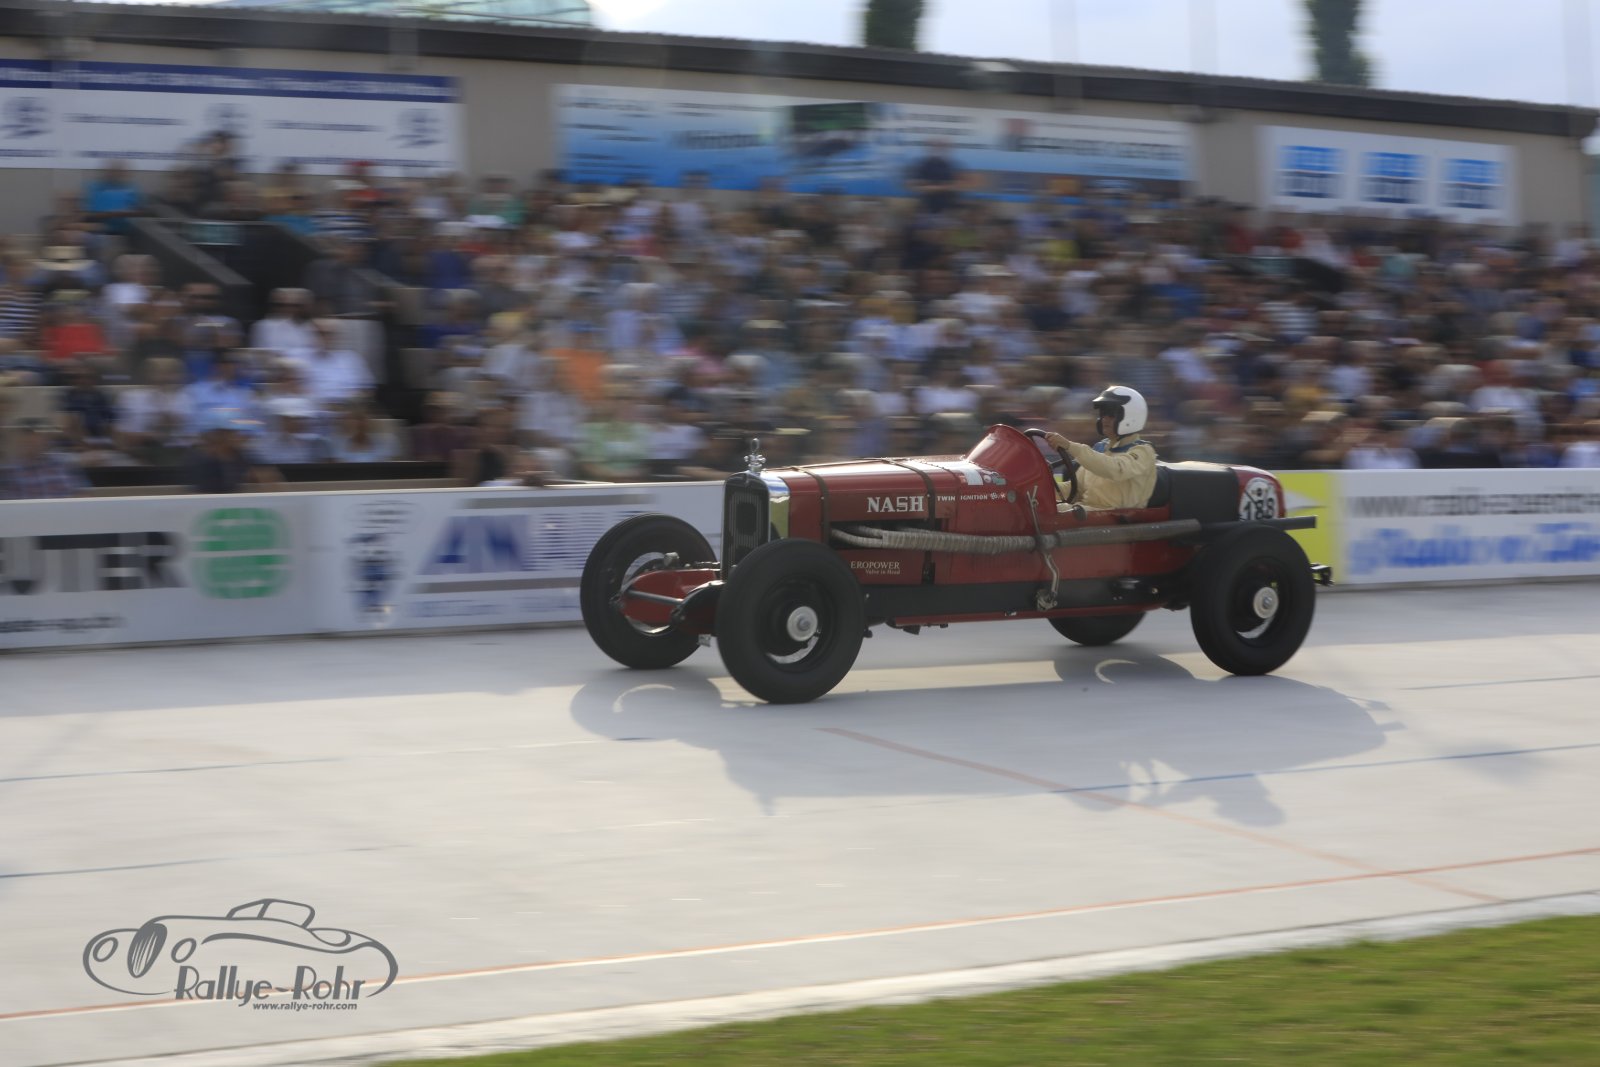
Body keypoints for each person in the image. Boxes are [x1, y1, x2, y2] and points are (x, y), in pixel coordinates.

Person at [1043, 385, 1158, 510]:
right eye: (1103, 414)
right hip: (1088, 512)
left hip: (1117, 515)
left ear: (1130, 417)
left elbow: (1116, 469)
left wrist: (1070, 446)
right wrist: (1041, 487)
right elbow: (1076, 489)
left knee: (1050, 511)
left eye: (1111, 414)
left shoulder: (1143, 451)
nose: (1104, 419)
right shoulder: (1101, 448)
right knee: (1039, 506)